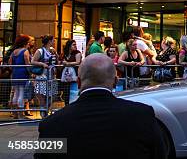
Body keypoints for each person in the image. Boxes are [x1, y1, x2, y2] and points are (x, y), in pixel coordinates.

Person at [35, 53, 167, 159]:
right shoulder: (142, 115)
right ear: (115, 82)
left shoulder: (51, 124)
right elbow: (159, 154)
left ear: (79, 82)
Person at [31, 35, 58, 115]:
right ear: (49, 41)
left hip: (52, 76)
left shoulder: (52, 50)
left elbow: (56, 60)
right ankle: (43, 114)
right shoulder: (40, 51)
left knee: (52, 96)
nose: (54, 41)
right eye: (53, 40)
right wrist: (42, 64)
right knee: (42, 95)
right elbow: (33, 61)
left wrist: (56, 55)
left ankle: (45, 111)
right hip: (42, 75)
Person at [8, 35, 32, 119]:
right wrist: (30, 73)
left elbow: (10, 64)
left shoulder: (14, 51)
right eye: (28, 42)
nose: (29, 44)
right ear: (25, 43)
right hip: (23, 73)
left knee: (16, 92)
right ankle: (21, 113)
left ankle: (15, 113)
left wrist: (15, 69)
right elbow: (27, 64)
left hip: (15, 73)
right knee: (21, 92)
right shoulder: (25, 51)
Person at [59, 40, 82, 106]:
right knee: (66, 93)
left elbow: (78, 62)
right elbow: (60, 61)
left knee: (74, 93)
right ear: (69, 46)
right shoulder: (64, 54)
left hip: (74, 76)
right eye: (73, 45)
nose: (75, 46)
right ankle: (67, 106)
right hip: (65, 77)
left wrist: (68, 63)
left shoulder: (77, 53)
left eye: (75, 44)